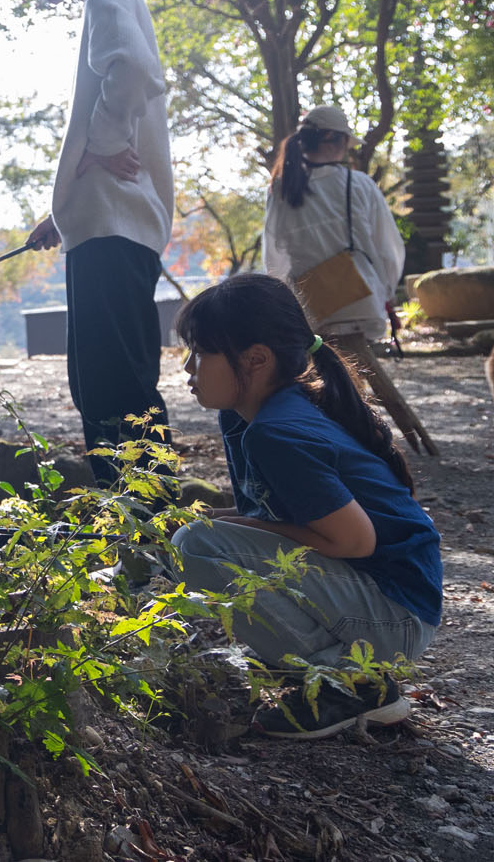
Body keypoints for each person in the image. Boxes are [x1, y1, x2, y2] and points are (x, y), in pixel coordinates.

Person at [170, 273, 442, 740]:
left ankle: (349, 684)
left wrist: (217, 530)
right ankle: (327, 665)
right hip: (381, 601)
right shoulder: (247, 417)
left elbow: (355, 541)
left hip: (394, 613)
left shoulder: (277, 430)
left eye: (200, 351)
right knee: (198, 533)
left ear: (255, 359)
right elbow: (277, 519)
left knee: (193, 544)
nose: (188, 367)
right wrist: (223, 522)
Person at [0, 0, 173, 487]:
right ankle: (141, 526)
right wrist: (68, 209)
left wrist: (96, 145)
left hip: (115, 228)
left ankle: (145, 527)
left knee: (111, 385)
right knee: (108, 379)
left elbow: (135, 72)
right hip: (104, 223)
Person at [263, 105, 438, 455]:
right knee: (357, 364)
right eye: (346, 140)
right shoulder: (358, 184)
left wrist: (287, 302)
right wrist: (385, 291)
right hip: (358, 297)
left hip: (311, 305)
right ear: (333, 139)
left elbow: (274, 256)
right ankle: (383, 435)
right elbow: (389, 249)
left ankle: (335, 437)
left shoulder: (281, 187)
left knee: (318, 370)